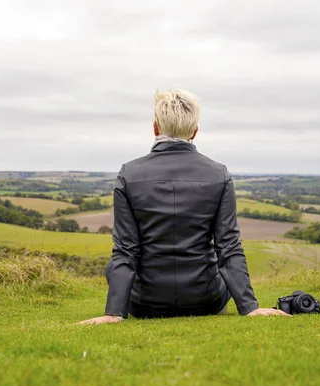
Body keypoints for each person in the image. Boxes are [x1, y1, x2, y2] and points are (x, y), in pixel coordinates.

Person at [80, 88, 290, 325]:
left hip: (146, 303)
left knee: (113, 267)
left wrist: (113, 313)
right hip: (206, 299)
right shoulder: (219, 174)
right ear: (194, 132)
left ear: (156, 127)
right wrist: (250, 308)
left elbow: (126, 249)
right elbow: (228, 246)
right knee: (221, 271)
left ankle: (117, 310)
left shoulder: (129, 174)